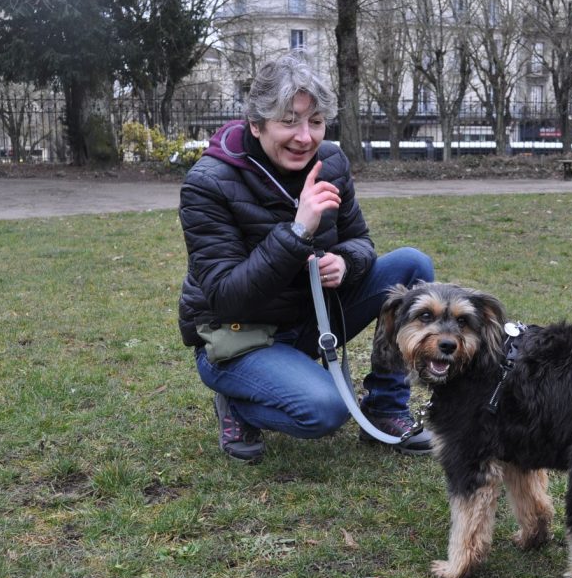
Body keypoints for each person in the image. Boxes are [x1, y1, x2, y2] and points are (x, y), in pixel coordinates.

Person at [178, 51, 434, 462]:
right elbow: (226, 296)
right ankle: (236, 401)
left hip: (308, 319)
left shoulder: (330, 161)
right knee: (326, 410)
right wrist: (298, 232)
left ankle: (385, 409)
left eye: (315, 122)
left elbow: (360, 241)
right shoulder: (208, 184)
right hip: (240, 336)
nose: (305, 137)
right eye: (289, 121)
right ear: (256, 124)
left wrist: (347, 263)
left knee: (412, 266)